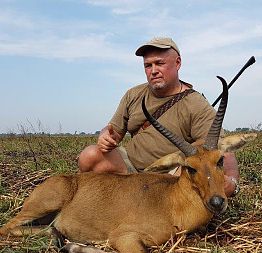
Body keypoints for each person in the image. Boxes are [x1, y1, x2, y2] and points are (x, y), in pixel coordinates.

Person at [78, 37, 240, 197]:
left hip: (169, 176)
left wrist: (232, 183)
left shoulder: (195, 103)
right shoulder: (133, 94)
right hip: (128, 167)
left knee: (190, 176)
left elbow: (222, 150)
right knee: (89, 156)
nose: (153, 70)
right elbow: (114, 131)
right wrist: (104, 135)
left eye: (159, 63)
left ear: (177, 63)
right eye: (148, 65)